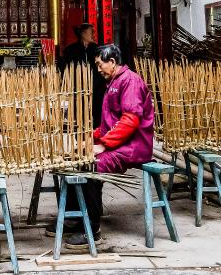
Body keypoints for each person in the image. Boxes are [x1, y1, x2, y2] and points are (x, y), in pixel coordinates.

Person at [48, 44, 156, 250]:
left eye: (100, 64)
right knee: (77, 160)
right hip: (120, 142)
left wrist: (104, 145)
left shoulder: (130, 81)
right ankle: (73, 217)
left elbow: (130, 120)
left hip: (133, 146)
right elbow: (109, 124)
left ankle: (91, 228)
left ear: (112, 62)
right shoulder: (114, 82)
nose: (98, 69)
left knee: (92, 165)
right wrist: (90, 138)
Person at [56, 23, 104, 125]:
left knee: (97, 114)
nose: (94, 34)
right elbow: (64, 68)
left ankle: (96, 131)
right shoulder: (70, 50)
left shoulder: (98, 50)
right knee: (80, 116)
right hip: (78, 88)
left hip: (96, 88)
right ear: (83, 33)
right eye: (91, 32)